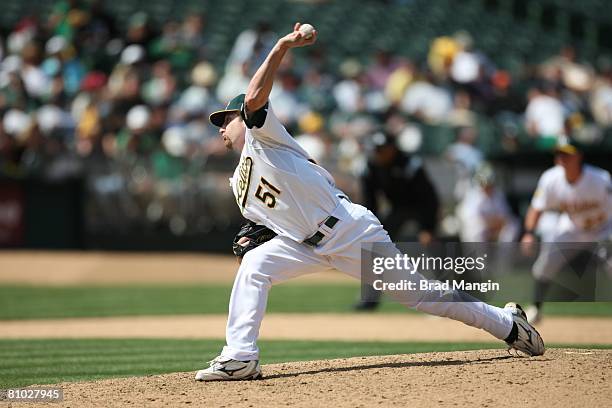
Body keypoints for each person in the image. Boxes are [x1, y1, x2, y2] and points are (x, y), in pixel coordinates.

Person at [195, 23, 544, 382]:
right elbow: (273, 220)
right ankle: (240, 356)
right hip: (304, 245)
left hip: (348, 230)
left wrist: (283, 45)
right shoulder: (239, 182)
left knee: (422, 297)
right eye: (219, 123)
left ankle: (508, 324)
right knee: (254, 265)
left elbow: (253, 96)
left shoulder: (262, 138)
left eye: (227, 119)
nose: (222, 127)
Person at [521, 138, 612, 323]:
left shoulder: (600, 179)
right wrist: (529, 232)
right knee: (546, 263)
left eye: (567, 153)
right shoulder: (551, 178)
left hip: (603, 228)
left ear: (578, 156)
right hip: (573, 228)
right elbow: (537, 208)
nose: (561, 157)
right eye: (559, 153)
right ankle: (536, 308)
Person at [354, 131, 439, 311]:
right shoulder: (370, 166)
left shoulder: (410, 164)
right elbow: (371, 202)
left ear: (393, 149)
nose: (379, 154)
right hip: (395, 211)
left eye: (383, 150)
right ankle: (369, 298)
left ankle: (441, 296)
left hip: (418, 211)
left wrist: (428, 228)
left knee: (424, 251)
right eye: (376, 150)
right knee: (373, 247)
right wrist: (369, 227)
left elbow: (429, 199)